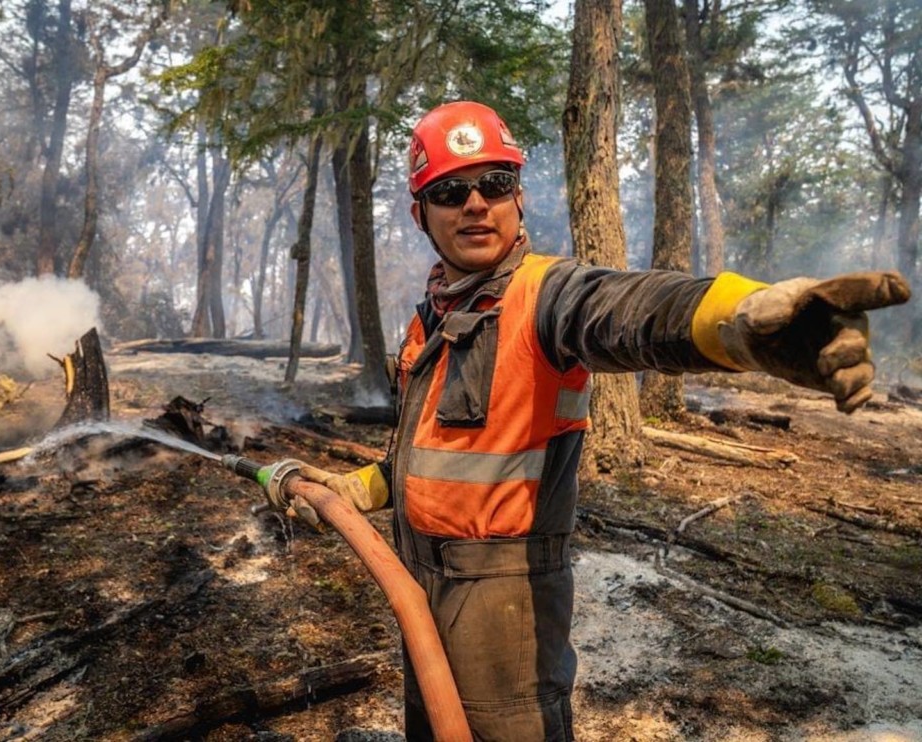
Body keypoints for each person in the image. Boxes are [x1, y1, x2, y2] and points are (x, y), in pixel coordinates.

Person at [296, 101, 911, 740]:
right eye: (451, 191)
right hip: (422, 593)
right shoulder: (431, 321)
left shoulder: (547, 296)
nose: (476, 203)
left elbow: (630, 308)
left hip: (507, 613)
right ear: (421, 212)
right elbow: (426, 460)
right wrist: (356, 490)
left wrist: (739, 318)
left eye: (495, 183)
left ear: (519, 198)